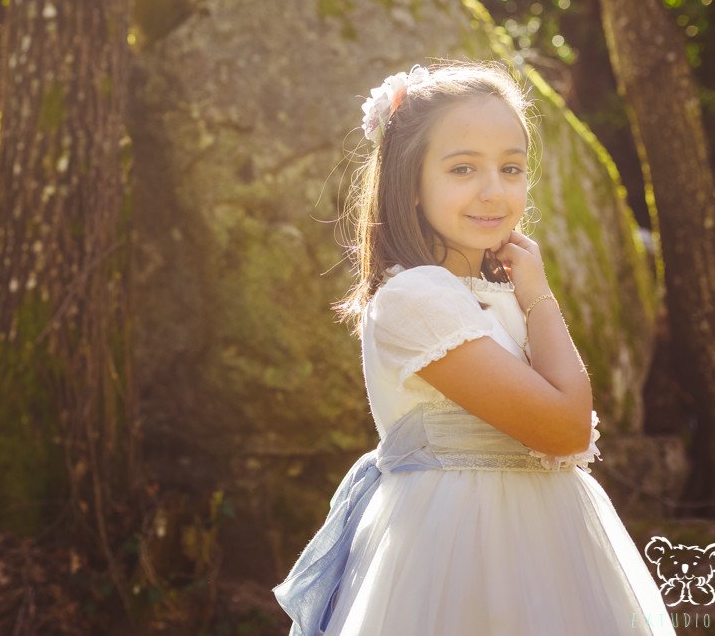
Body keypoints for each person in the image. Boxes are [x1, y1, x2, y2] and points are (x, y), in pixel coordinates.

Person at [273, 62, 674, 635]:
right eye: (463, 168)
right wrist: (538, 298)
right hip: (459, 547)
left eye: (511, 168)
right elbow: (567, 428)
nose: (494, 190)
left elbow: (569, 413)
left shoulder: (501, 296)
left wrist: (533, 292)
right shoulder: (415, 297)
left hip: (544, 544)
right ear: (409, 182)